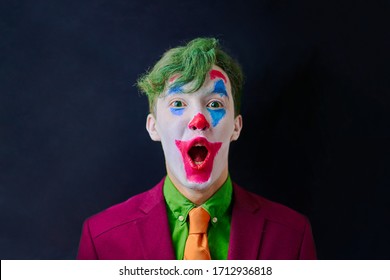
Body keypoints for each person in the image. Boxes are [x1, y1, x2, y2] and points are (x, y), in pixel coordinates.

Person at [76, 37, 317, 260]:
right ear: (153, 127)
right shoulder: (101, 238)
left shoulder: (292, 235)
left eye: (214, 103)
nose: (198, 120)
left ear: (236, 126)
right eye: (178, 103)